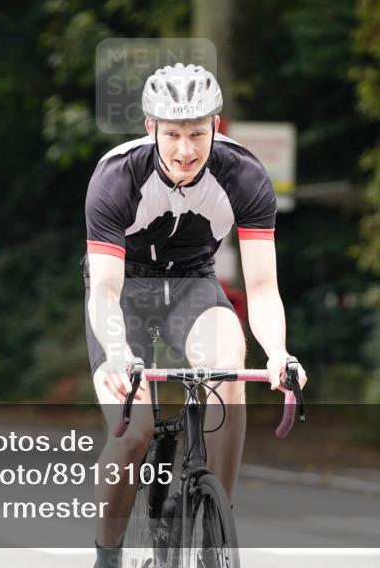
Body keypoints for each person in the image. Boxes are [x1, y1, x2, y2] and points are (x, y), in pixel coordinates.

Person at [83, 63, 308, 568]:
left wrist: (278, 352)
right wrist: (118, 354)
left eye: (198, 134)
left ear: (216, 126)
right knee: (134, 434)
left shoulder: (244, 175)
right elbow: (104, 289)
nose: (186, 150)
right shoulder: (117, 176)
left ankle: (216, 528)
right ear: (150, 128)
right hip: (126, 292)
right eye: (174, 135)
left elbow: (262, 286)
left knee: (228, 374)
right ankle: (107, 556)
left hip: (193, 286)